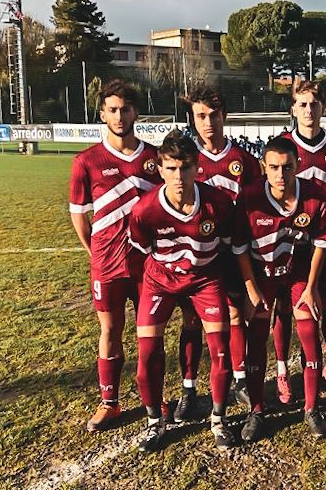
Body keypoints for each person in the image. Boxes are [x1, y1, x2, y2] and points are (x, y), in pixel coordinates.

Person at [128, 130, 237, 453]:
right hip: (160, 281)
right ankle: (154, 422)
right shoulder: (144, 210)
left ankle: (218, 418)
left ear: (197, 166)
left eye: (185, 167)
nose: (178, 176)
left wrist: (233, 293)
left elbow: (230, 249)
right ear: (160, 168)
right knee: (147, 354)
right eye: (171, 168)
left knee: (220, 350)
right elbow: (142, 252)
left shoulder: (218, 203)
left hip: (206, 279)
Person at [69, 80, 161, 432]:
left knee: (149, 333)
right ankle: (110, 403)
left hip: (149, 264)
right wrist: (93, 250)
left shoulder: (154, 158)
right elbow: (79, 213)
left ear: (136, 112)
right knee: (110, 330)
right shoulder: (86, 161)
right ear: (102, 113)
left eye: (125, 109)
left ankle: (154, 398)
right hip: (107, 265)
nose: (119, 116)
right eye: (112, 109)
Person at [232, 137, 326, 441]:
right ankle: (257, 410)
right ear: (263, 166)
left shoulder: (316, 196)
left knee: (307, 332)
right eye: (273, 167)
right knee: (257, 336)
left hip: (297, 272)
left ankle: (312, 408)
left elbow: (320, 245)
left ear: (298, 166)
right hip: (261, 275)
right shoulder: (249, 197)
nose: (280, 174)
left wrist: (312, 286)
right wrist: (250, 288)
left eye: (287, 167)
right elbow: (239, 248)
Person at [186, 86, 262, 415]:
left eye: (214, 115)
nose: (208, 122)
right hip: (196, 256)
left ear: (225, 117)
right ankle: (189, 387)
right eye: (201, 116)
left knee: (234, 316)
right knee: (191, 321)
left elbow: (255, 213)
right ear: (193, 118)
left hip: (233, 254)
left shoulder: (243, 161)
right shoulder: (186, 161)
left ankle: (241, 378)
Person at [281, 81, 326, 399]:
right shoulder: (282, 145)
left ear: (323, 107)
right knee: (285, 308)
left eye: (314, 104)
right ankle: (282, 370)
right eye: (302, 104)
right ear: (293, 109)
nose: (309, 110)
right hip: (290, 247)